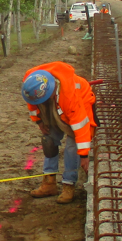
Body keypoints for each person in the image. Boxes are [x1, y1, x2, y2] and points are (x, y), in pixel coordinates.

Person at [21, 62, 97, 204]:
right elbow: (32, 102)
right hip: (55, 101)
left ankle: (68, 184)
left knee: (71, 147)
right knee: (49, 140)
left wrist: (84, 155)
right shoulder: (31, 84)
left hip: (80, 104)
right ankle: (49, 183)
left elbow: (81, 127)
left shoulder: (70, 98)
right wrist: (39, 121)